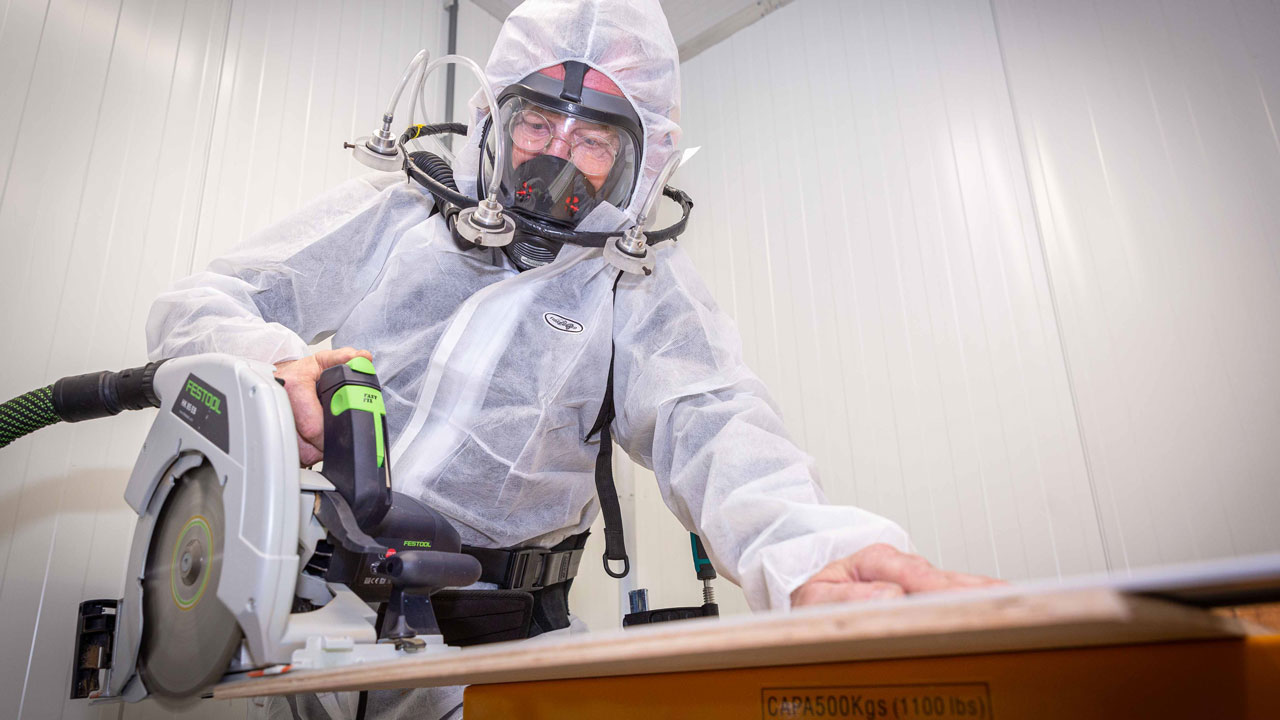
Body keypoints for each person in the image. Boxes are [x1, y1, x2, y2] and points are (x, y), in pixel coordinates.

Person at [147, 1, 997, 717]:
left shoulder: (637, 287)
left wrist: (809, 557)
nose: (559, 156)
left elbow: (714, 424)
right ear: (494, 119)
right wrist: (272, 364)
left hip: (502, 649)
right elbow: (194, 308)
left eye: (593, 139)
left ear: (640, 161)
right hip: (304, 612)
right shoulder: (398, 216)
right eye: (540, 122)